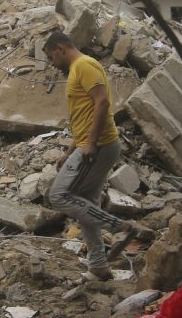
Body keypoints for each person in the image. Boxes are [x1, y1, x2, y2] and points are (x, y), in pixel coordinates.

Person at [42, 30, 134, 279]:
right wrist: (71, 149)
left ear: (60, 48)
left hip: (100, 145)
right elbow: (85, 114)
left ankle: (120, 228)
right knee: (87, 206)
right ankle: (99, 265)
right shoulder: (76, 70)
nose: (53, 63)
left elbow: (102, 103)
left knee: (59, 196)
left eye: (52, 57)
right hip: (92, 144)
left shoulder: (85, 65)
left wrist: (90, 144)